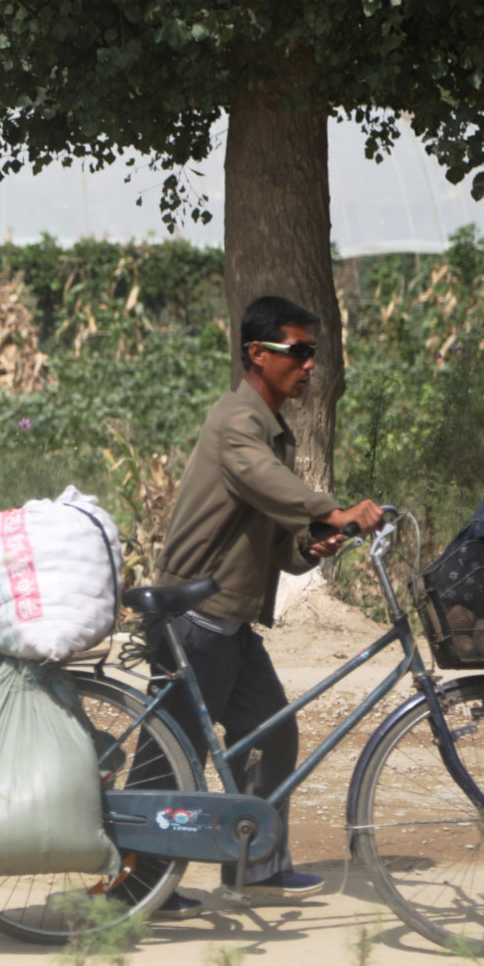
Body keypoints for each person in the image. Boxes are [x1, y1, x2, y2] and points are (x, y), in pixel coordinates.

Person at [137, 295, 383, 919]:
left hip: (229, 619)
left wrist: (314, 542)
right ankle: (135, 881)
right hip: (195, 615)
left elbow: (279, 541)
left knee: (271, 728)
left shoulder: (272, 430)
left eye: (312, 354)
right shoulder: (237, 423)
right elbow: (266, 483)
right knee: (173, 757)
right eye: (297, 352)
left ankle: (255, 865)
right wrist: (331, 508)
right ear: (257, 355)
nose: (309, 365)